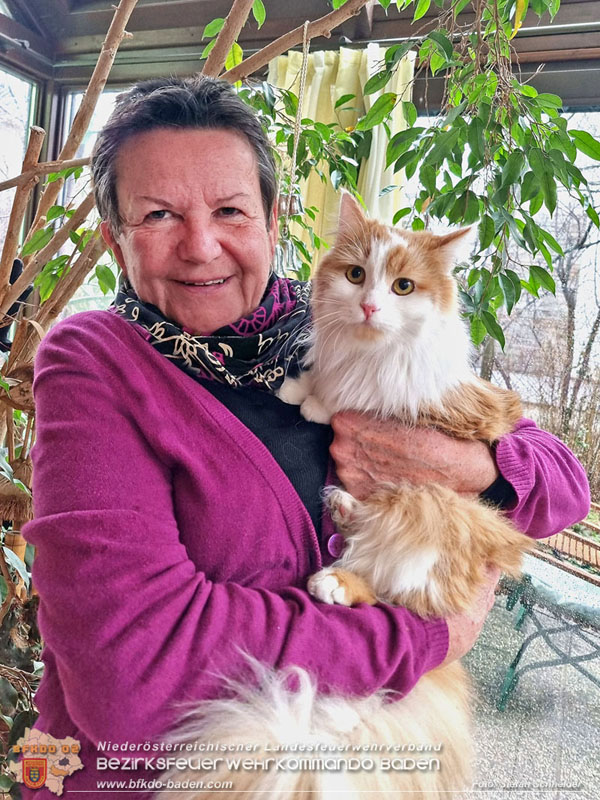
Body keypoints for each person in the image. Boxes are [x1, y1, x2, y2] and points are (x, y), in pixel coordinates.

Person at [22, 76, 590, 798]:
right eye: (159, 215)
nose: (201, 248)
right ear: (115, 240)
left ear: (272, 221)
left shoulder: (339, 330)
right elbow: (130, 677)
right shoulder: (95, 360)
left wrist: (468, 465)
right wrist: (423, 638)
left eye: (230, 210)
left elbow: (563, 487)